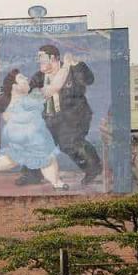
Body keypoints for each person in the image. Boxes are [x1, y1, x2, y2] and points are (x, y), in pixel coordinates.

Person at [29, 44, 103, 185]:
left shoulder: (71, 70)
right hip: (50, 117)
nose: (39, 60)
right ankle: (31, 175)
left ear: (54, 58)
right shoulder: (39, 76)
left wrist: (77, 64)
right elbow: (29, 92)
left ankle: (93, 167)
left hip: (74, 116)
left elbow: (89, 80)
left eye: (42, 57)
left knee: (69, 142)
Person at [0, 69, 66, 190]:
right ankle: (56, 183)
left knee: (13, 157)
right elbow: (55, 86)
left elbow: (7, 117)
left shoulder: (9, 103)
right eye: (22, 78)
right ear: (15, 86)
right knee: (47, 157)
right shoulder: (31, 98)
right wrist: (66, 66)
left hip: (15, 135)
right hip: (31, 135)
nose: (27, 79)